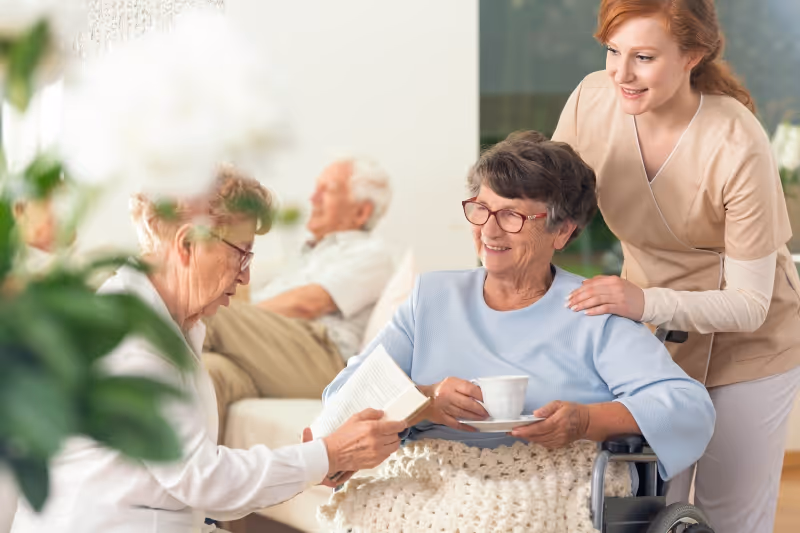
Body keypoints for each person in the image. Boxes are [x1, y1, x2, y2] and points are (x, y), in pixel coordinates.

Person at [317, 132, 715, 531]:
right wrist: (427, 400)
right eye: (482, 209)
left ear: (562, 231)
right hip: (431, 470)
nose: (489, 231)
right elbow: (344, 396)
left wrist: (585, 422)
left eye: (512, 216)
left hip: (547, 474)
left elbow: (689, 408)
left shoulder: (591, 309)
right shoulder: (432, 299)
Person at [10, 165, 406, 533]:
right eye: (241, 253)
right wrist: (327, 455)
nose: (247, 273)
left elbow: (194, 486)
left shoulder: (175, 324)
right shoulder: (132, 337)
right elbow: (203, 481)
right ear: (188, 245)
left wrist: (317, 460)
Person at [551, 1, 800, 532]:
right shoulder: (592, 101)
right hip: (652, 336)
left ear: (693, 54)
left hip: (750, 343)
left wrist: (641, 300)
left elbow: (751, 305)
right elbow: (551, 206)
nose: (621, 73)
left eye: (643, 57)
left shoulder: (737, 142)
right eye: (613, 51)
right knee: (646, 509)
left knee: (728, 518)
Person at [202, 157, 395, 438]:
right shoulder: (304, 255)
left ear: (361, 212)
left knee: (211, 310)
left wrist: (240, 321)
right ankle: (194, 476)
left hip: (321, 357)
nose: (312, 198)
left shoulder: (372, 253)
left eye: (326, 190)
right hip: (273, 355)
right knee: (208, 371)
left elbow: (306, 304)